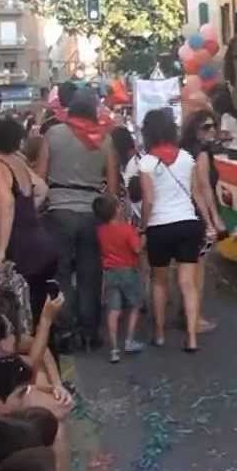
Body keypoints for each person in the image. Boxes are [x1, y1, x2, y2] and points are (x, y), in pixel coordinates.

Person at [34, 91, 117, 353]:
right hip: (92, 213)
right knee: (90, 274)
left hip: (58, 211)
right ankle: (89, 332)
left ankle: (66, 330)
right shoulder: (105, 139)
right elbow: (112, 187)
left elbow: (40, 176)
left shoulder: (53, 134)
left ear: (71, 110)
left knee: (60, 274)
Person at [137, 109, 208, 353]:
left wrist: (143, 227)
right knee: (188, 283)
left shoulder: (146, 162)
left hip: (159, 227)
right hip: (188, 223)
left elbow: (148, 200)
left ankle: (159, 334)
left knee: (159, 282)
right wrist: (207, 220)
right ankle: (192, 337)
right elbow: (196, 194)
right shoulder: (187, 158)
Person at [0, 118, 57, 325]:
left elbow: (6, 203)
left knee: (8, 314)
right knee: (33, 310)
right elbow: (41, 188)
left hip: (13, 249)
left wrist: (0, 252)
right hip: (37, 244)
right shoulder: (17, 163)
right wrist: (26, 213)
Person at [178, 111, 225, 335]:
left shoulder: (184, 151)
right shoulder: (202, 153)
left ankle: (188, 314)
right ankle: (194, 318)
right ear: (195, 130)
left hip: (184, 213)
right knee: (198, 268)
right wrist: (213, 219)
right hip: (199, 215)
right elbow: (204, 187)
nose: (212, 130)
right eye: (206, 127)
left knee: (189, 266)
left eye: (213, 125)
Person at [91, 197, 144, 365]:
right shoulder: (127, 229)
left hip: (109, 273)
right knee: (135, 305)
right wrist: (142, 237)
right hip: (128, 271)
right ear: (116, 210)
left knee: (113, 310)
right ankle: (129, 340)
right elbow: (137, 249)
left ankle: (114, 349)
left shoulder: (100, 231)